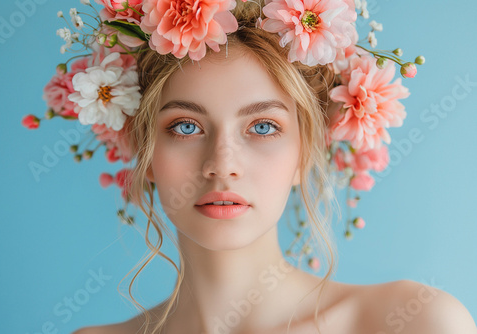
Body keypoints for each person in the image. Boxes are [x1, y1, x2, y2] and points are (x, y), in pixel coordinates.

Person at [35, 1, 475, 333]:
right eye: (185, 126)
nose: (221, 165)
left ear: (306, 150)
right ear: (144, 149)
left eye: (263, 127)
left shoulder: (414, 323)